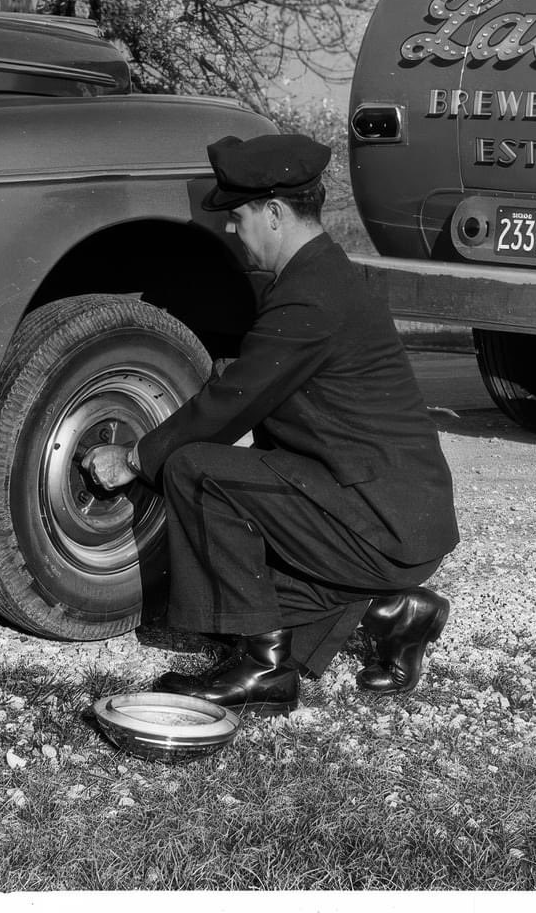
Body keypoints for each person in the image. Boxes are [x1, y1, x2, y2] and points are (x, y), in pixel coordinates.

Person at [81, 132, 461, 714]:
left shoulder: (311, 296)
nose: (233, 231)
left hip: (382, 520)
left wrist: (133, 457)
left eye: (238, 217)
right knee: (224, 589)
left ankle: (263, 669)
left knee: (195, 471)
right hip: (383, 505)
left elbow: (234, 403)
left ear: (276, 213)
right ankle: (394, 609)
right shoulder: (320, 276)